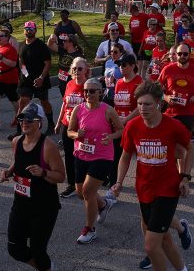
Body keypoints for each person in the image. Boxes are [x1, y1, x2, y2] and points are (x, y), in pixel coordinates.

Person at [111, 82, 194, 271]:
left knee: (150, 246)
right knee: (165, 240)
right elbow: (126, 154)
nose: (143, 108)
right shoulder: (133, 126)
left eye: (147, 104)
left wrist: (186, 177)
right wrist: (119, 182)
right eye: (139, 104)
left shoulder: (172, 126)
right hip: (144, 190)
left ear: (159, 103)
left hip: (168, 190)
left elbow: (189, 148)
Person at [0, 102, 66, 271]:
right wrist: (9, 171)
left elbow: (61, 177)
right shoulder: (17, 141)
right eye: (22, 119)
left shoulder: (48, 146)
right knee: (15, 248)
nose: (25, 123)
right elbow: (17, 160)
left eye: (30, 119)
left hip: (44, 207)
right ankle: (41, 267)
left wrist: (44, 172)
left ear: (40, 123)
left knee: (38, 249)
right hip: (20, 204)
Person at [67, 78, 122, 243]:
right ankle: (104, 204)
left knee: (87, 192)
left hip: (102, 156)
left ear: (100, 92)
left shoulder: (108, 110)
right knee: (80, 193)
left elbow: (120, 129)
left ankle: (89, 229)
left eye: (92, 91)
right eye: (85, 91)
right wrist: (77, 135)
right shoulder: (78, 109)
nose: (88, 94)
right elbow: (69, 131)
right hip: (81, 155)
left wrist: (110, 136)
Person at [159, 43, 194, 142]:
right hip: (170, 112)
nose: (182, 56)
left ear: (189, 55)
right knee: (168, 142)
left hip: (188, 112)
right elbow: (157, 87)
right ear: (176, 54)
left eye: (185, 54)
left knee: (182, 145)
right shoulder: (168, 69)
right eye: (180, 53)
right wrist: (166, 97)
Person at [56, 57, 90, 198]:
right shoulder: (69, 84)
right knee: (69, 156)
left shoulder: (88, 86)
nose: (76, 71)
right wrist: (58, 123)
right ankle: (72, 184)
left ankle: (85, 181)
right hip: (67, 126)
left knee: (83, 155)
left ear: (86, 70)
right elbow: (65, 104)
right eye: (74, 68)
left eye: (80, 68)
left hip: (82, 128)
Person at [16, 21, 54, 139]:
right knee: (22, 103)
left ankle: (51, 124)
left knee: (44, 102)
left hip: (40, 80)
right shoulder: (21, 45)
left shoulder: (41, 45)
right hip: (26, 81)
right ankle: (18, 131)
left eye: (31, 29)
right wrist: (24, 74)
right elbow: (20, 61)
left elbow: (47, 63)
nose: (28, 31)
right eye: (26, 29)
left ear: (35, 31)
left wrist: (41, 78)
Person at [0, 27, 21, 130]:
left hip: (9, 80)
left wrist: (1, 57)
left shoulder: (10, 49)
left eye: (1, 36)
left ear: (7, 38)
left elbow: (13, 64)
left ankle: (18, 116)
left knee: (13, 100)